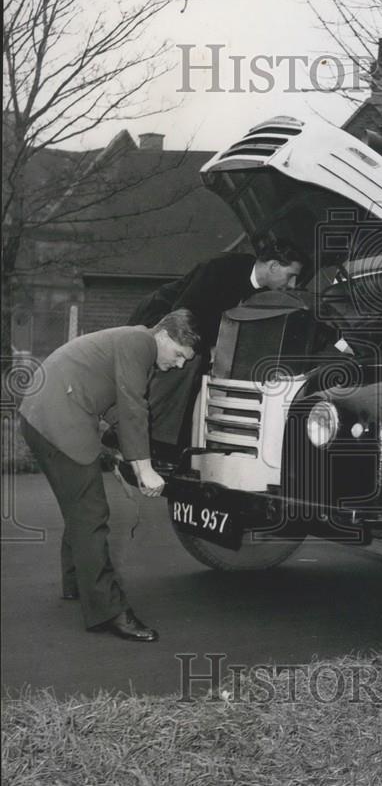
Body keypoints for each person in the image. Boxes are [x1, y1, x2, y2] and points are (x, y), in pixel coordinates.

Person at [18, 310, 201, 642]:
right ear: (163, 336)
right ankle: (109, 611)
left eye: (185, 361)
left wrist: (122, 449)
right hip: (58, 419)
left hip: (40, 414)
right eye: (178, 355)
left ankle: (78, 584)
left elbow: (115, 403)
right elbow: (133, 405)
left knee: (80, 507)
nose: (179, 365)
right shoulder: (139, 343)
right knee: (91, 513)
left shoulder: (132, 339)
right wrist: (143, 469)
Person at [126, 240, 306, 458]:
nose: (294, 284)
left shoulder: (259, 291)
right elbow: (183, 316)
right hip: (162, 317)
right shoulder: (220, 269)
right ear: (274, 266)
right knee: (183, 364)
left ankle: (176, 443)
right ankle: (145, 439)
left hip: (194, 330)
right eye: (291, 275)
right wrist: (210, 348)